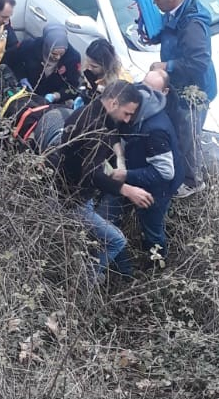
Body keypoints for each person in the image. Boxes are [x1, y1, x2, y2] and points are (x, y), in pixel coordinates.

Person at [53, 80, 153, 280]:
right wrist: (127, 189)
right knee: (117, 240)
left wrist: (119, 157)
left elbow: (111, 131)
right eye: (127, 113)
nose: (127, 120)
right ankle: (85, 282)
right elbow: (92, 174)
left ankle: (118, 274)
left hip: (72, 191)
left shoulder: (87, 111)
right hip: (71, 200)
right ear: (114, 103)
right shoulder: (95, 130)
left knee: (96, 236)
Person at [101, 69, 185, 269]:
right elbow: (114, 128)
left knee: (152, 228)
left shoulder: (155, 130)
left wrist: (126, 174)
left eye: (128, 116)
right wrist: (119, 153)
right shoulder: (132, 100)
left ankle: (157, 266)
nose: (125, 120)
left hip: (159, 187)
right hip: (137, 170)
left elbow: (165, 173)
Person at [146, 0, 217, 197]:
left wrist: (166, 65)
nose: (155, 3)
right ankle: (178, 171)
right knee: (178, 130)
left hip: (194, 91)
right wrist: (157, 37)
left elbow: (198, 63)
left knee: (189, 137)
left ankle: (192, 182)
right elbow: (172, 32)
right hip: (179, 85)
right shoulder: (175, 10)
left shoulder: (193, 23)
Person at [5, 23, 82, 102]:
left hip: (52, 100)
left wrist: (56, 96)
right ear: (46, 46)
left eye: (61, 54)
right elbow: (13, 61)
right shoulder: (30, 47)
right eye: (54, 53)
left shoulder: (72, 58)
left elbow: (73, 86)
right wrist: (22, 78)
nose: (58, 57)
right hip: (25, 93)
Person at [81, 38, 132, 103]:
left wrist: (102, 90)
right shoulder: (89, 68)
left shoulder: (120, 82)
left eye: (94, 66)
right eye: (88, 62)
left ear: (106, 66)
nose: (89, 68)